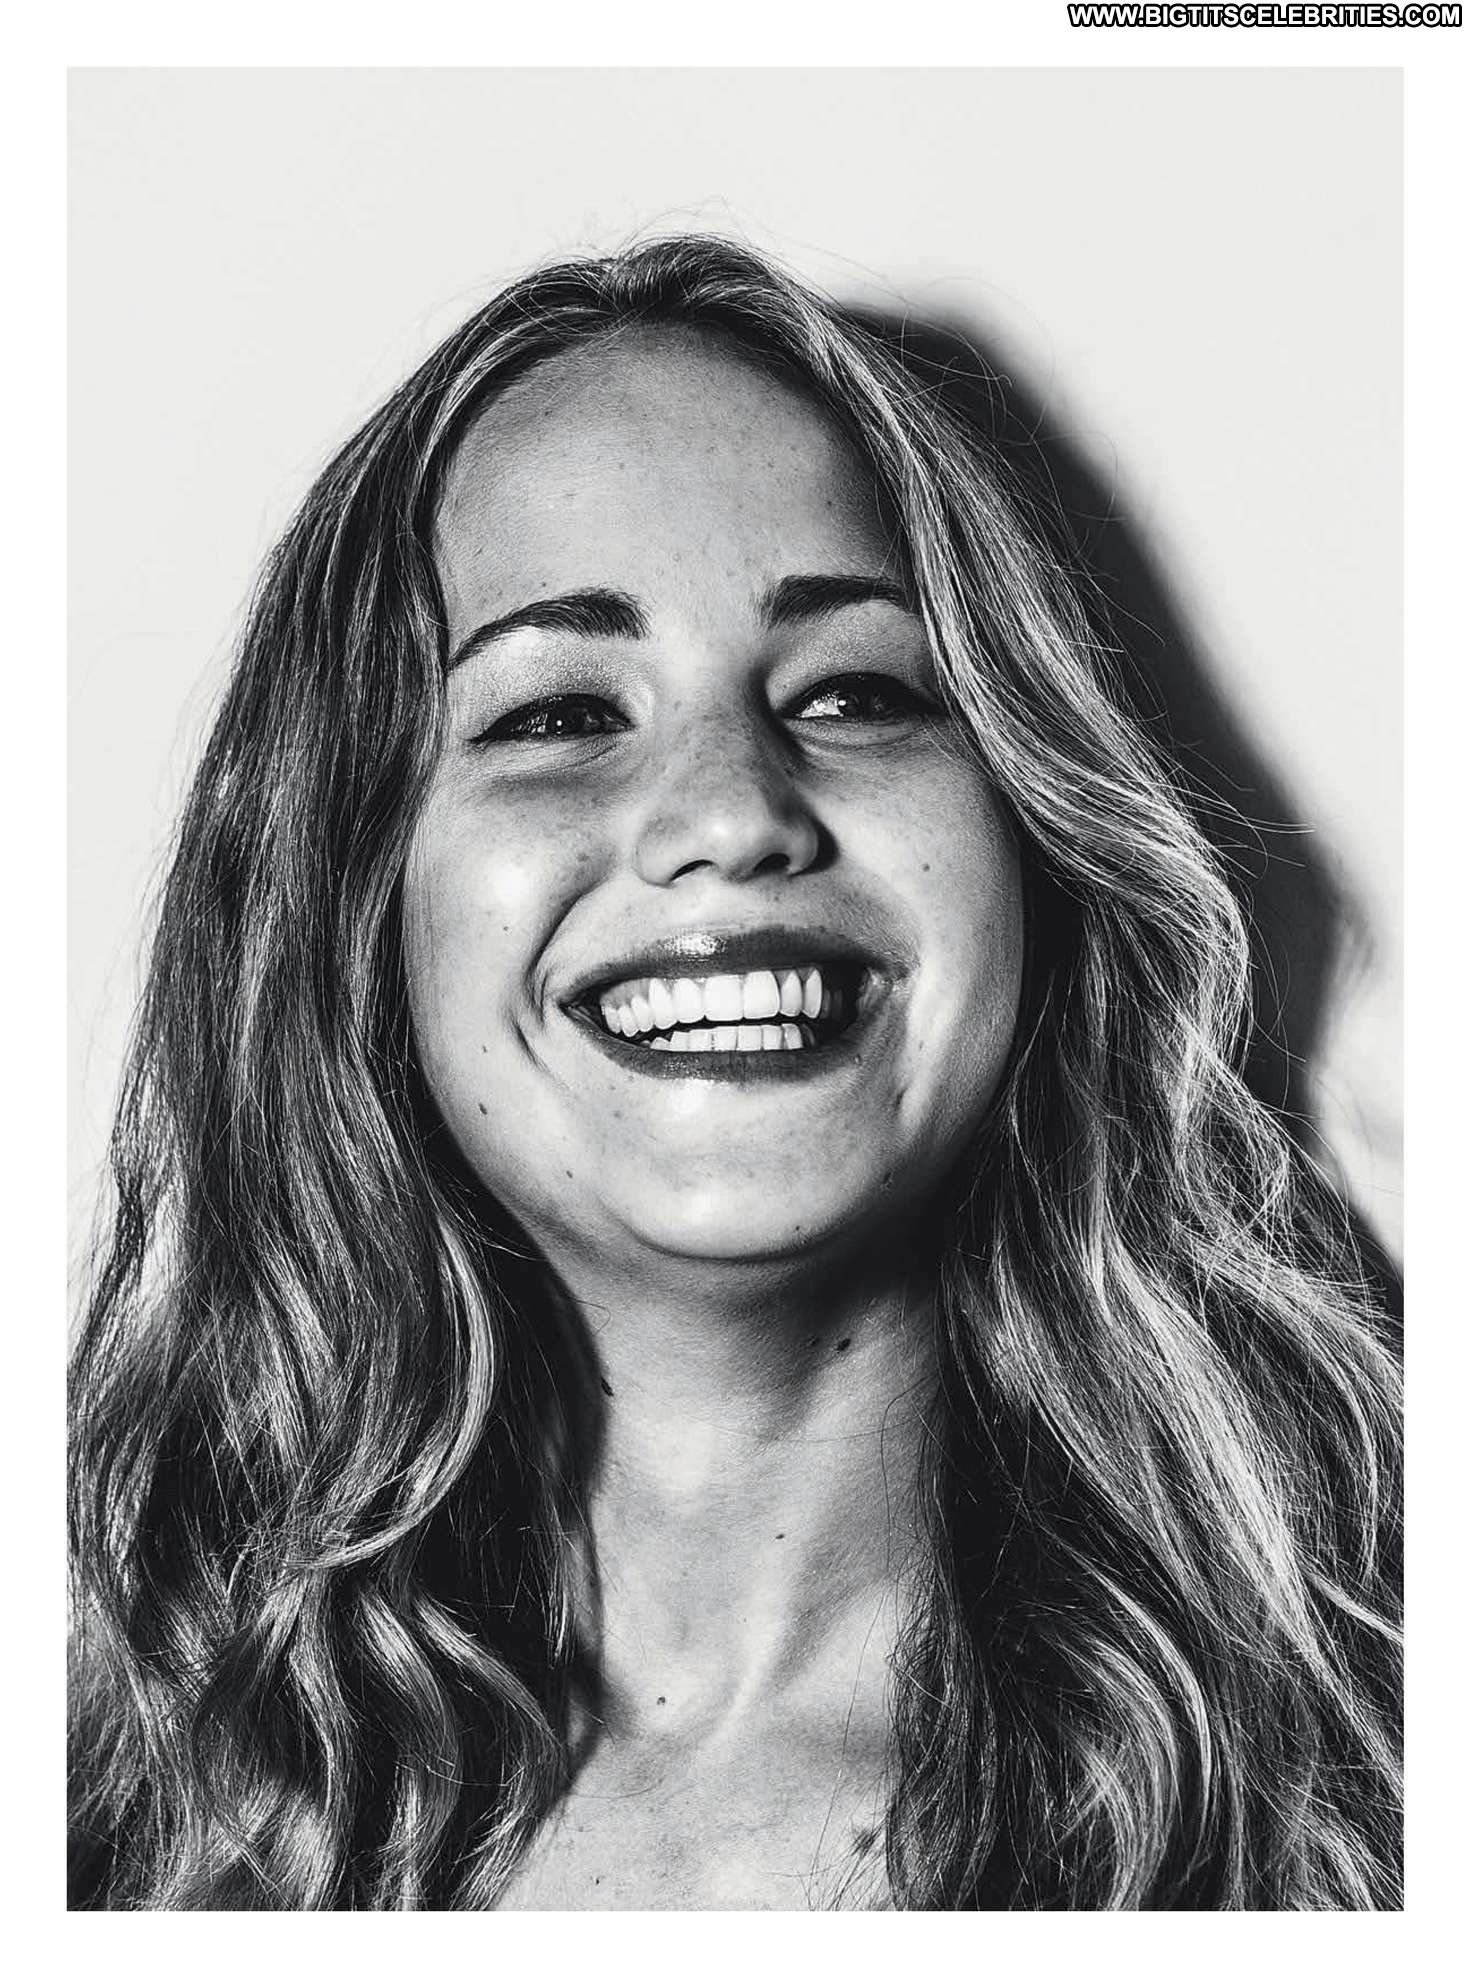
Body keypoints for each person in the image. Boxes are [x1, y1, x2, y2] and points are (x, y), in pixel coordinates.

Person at [67, 235, 1402, 1910]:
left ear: (1038, 841)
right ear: (352, 908)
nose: (730, 812)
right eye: (558, 713)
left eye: (852, 691)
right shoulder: (115, 1814)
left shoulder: (1382, 1769)